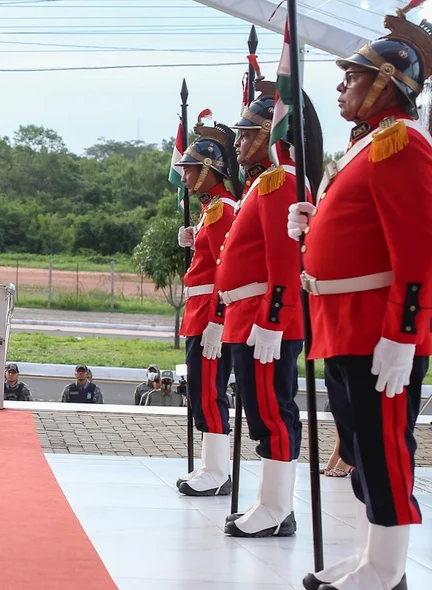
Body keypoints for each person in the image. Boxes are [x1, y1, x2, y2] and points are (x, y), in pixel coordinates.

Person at [289, 8, 432, 587]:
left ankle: (389, 568)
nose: (342, 85)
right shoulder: (366, 147)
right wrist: (313, 219)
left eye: (354, 76)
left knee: (383, 447)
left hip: (378, 328)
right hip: (343, 323)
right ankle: (370, 555)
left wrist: (404, 336)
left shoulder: (402, 145)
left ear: (387, 85)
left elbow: (419, 251)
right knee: (358, 445)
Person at [216, 79, 323, 523]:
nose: (238, 142)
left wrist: (273, 321)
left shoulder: (282, 182)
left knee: (273, 413)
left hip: (266, 317)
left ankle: (277, 508)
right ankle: (268, 503)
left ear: (272, 135)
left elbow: (284, 261)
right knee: (261, 412)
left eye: (247, 133)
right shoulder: (260, 186)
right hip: (248, 314)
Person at [172, 115, 240, 497]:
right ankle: (209, 466)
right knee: (200, 388)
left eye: (190, 169)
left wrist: (218, 320)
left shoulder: (223, 209)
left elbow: (223, 271)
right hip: (197, 312)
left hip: (210, 314)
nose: (184, 175)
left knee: (211, 390)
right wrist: (194, 237)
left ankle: (217, 471)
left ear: (209, 171)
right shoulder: (210, 209)